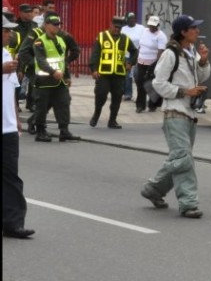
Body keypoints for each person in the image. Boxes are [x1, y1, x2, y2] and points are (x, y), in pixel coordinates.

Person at [140, 14, 211, 218]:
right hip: (174, 111)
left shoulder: (190, 52)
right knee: (183, 158)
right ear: (183, 32)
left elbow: (201, 76)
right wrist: (185, 92)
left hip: (189, 113)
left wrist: (204, 61)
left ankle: (153, 189)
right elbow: (158, 83)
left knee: (182, 158)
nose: (197, 31)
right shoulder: (171, 53)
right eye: (193, 28)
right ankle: (188, 204)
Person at [20, 12, 79, 142]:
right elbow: (38, 60)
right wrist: (51, 71)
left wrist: (67, 76)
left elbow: (62, 60)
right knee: (42, 105)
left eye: (58, 24)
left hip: (59, 80)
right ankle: (40, 131)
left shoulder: (60, 40)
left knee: (64, 103)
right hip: (43, 80)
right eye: (54, 25)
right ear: (46, 25)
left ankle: (64, 131)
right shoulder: (39, 40)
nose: (57, 27)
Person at [2, 16, 34, 239]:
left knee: (11, 176)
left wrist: (16, 117)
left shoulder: (6, 55)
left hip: (7, 128)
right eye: (6, 30)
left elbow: (12, 90)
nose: (10, 34)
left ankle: (13, 223)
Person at [88, 15, 138, 129]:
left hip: (119, 74)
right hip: (103, 73)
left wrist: (130, 63)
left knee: (117, 97)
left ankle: (112, 120)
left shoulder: (125, 38)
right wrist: (94, 69)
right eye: (115, 27)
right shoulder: (101, 37)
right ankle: (96, 114)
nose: (117, 30)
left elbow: (134, 51)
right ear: (111, 25)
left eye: (119, 28)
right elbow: (95, 54)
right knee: (101, 95)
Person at [135, 15, 168, 113]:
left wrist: (156, 64)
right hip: (141, 61)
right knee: (140, 83)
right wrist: (137, 57)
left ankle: (152, 104)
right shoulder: (144, 32)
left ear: (158, 25)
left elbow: (160, 51)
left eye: (154, 26)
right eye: (150, 25)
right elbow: (140, 46)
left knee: (151, 84)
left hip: (153, 63)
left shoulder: (161, 36)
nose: (152, 28)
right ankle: (140, 105)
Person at [121, 12, 145, 102]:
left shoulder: (141, 28)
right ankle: (128, 94)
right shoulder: (123, 29)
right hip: (127, 55)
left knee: (137, 75)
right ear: (126, 20)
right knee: (127, 76)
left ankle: (140, 96)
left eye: (133, 18)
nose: (132, 20)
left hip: (139, 55)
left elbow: (144, 39)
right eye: (130, 18)